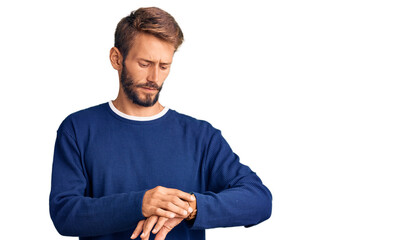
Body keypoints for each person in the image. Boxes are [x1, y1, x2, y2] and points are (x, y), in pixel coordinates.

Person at [49, 7, 272, 240]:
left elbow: (259, 200)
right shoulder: (78, 129)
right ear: (117, 59)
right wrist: (140, 204)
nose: (154, 78)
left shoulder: (201, 136)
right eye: (145, 64)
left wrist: (191, 208)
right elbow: (65, 214)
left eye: (164, 66)